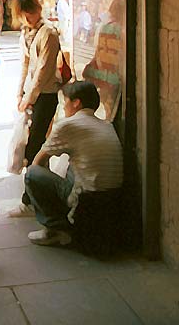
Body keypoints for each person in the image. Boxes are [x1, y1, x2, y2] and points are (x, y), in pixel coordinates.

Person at [23, 80, 123, 247]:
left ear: (76, 103)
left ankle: (55, 228)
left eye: (66, 102)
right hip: (111, 200)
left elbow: (38, 161)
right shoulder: (107, 126)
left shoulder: (69, 125)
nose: (63, 107)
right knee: (73, 163)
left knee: (32, 173)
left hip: (86, 201)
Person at [9, 0, 60, 217]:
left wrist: (28, 97)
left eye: (30, 12)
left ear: (38, 8)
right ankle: (41, 196)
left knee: (35, 147)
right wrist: (19, 92)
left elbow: (43, 71)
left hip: (45, 95)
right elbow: (25, 65)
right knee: (35, 146)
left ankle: (30, 200)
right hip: (32, 95)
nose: (28, 17)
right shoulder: (27, 33)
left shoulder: (47, 32)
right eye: (24, 14)